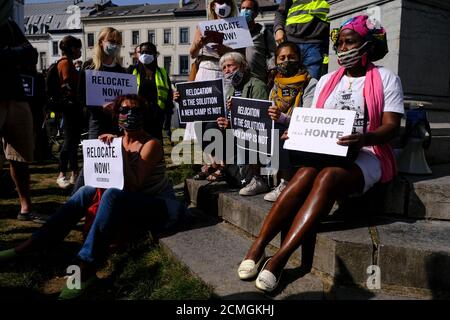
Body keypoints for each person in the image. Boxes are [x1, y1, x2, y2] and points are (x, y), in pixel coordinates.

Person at [238, 15, 403, 292]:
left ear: (368, 45)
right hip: (328, 150)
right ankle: (258, 245)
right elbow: (314, 119)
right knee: (303, 174)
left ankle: (279, 259)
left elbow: (391, 127)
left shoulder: (386, 78)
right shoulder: (327, 80)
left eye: (350, 42)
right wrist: (296, 129)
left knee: (326, 177)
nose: (343, 48)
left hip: (367, 152)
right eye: (339, 43)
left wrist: (365, 137)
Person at [0, 94, 187, 299]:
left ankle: (85, 266)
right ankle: (34, 244)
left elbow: (134, 184)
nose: (130, 114)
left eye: (136, 111)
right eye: (124, 110)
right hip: (130, 205)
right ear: (117, 115)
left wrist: (118, 153)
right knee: (86, 190)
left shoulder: (151, 144)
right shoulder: (117, 140)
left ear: (145, 115)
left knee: (112, 196)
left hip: (160, 208)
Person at [185, 0, 240, 177]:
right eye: (218, 1)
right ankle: (212, 162)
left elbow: (242, 53)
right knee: (201, 117)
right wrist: (199, 44)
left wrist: (224, 48)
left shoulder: (237, 26)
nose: (222, 5)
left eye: (225, 1)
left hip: (225, 72)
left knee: (222, 118)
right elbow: (192, 53)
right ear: (212, 5)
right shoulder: (202, 26)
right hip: (205, 72)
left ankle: (224, 162)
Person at [0, 1, 40, 221]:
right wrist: (16, 54)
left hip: (16, 95)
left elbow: (31, 54)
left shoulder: (10, 26)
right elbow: (23, 53)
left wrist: (7, 54)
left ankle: (26, 207)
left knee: (20, 156)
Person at [73, 27, 125, 193]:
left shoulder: (121, 70)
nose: (115, 45)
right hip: (96, 120)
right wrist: (99, 106)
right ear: (101, 42)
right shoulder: (89, 67)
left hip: (116, 122)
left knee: (114, 161)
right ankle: (75, 201)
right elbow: (81, 96)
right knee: (92, 161)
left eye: (118, 42)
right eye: (111, 41)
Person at [263, 41, 317, 202]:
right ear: (276, 62)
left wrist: (283, 118)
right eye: (282, 58)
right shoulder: (275, 85)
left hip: (301, 132)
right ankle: (258, 179)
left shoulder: (310, 83)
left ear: (299, 59)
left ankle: (285, 183)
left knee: (278, 130)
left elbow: (308, 117)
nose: (286, 61)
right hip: (279, 127)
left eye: (291, 57)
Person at [213, 52, 269, 187]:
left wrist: (232, 123)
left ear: (243, 66)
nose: (227, 70)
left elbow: (259, 118)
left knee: (240, 180)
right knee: (210, 128)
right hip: (234, 133)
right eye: (224, 67)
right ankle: (228, 169)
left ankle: (249, 175)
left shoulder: (257, 85)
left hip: (252, 135)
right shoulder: (230, 89)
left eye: (230, 66)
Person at [128, 42, 174, 142]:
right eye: (142, 52)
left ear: (154, 54)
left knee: (156, 148)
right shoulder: (132, 71)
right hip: (138, 117)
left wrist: (167, 123)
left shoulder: (162, 72)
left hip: (157, 118)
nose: (145, 54)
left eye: (148, 52)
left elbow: (169, 97)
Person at [274, 0, 330, 80]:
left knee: (311, 84)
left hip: (316, 44)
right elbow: (280, 13)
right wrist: (278, 29)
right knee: (288, 82)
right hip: (291, 44)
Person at [54, 36, 83, 189]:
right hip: (70, 108)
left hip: (72, 108)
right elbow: (66, 85)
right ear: (72, 48)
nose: (80, 51)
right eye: (79, 48)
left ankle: (74, 173)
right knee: (69, 142)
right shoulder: (65, 63)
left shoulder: (68, 63)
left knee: (72, 142)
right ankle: (61, 174)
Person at [239, 0, 276, 83]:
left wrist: (271, 72)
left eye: (248, 8)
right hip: (238, 82)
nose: (244, 11)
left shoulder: (264, 33)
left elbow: (272, 55)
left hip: (258, 80)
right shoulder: (235, 32)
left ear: (256, 13)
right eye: (243, 8)